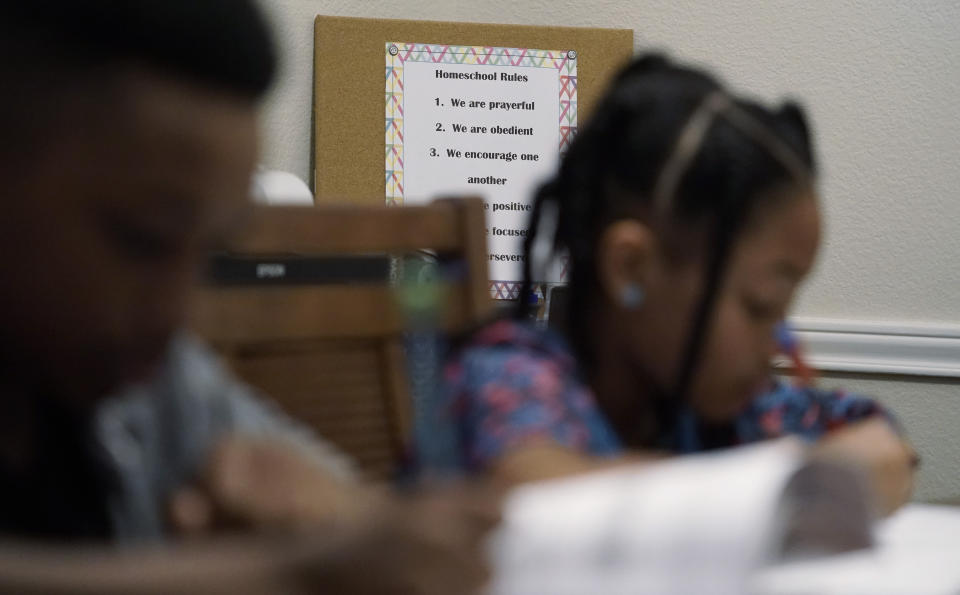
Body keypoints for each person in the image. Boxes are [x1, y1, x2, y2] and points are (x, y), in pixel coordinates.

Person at [0, 4, 496, 592]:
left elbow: (341, 513)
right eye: (144, 241)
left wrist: (335, 514)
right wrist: (280, 573)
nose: (177, 312)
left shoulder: (149, 381)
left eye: (211, 253)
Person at [445, 54, 915, 516]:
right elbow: (536, 494)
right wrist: (794, 484)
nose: (777, 343)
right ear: (631, 269)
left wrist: (844, 460)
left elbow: (877, 440)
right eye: (759, 305)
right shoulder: (507, 376)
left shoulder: (702, 404)